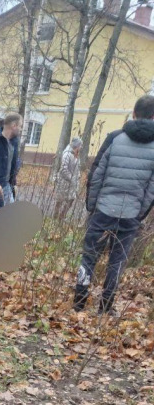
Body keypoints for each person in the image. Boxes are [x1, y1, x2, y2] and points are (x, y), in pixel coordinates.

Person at [73, 95, 154, 315]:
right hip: (130, 216)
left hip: (103, 210)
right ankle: (105, 307)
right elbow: (151, 189)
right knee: (117, 262)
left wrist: (92, 206)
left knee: (89, 256)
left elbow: (96, 174)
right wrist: (139, 214)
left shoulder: (114, 138)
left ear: (134, 114)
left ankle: (78, 303)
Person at [53, 137, 83, 219]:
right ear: (76, 146)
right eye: (80, 145)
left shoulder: (76, 155)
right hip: (64, 182)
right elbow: (63, 169)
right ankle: (56, 216)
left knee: (71, 199)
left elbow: (77, 167)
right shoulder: (67, 154)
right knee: (60, 200)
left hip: (72, 183)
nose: (81, 147)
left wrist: (78, 175)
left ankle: (62, 216)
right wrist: (71, 178)